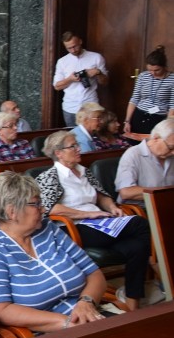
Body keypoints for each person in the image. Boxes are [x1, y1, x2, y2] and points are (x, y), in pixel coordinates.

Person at [0, 172, 110, 331]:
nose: (43, 209)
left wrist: (86, 302)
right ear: (12, 212)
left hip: (89, 316)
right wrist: (66, 322)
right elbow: (1, 309)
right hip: (46, 333)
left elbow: (94, 273)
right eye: (36, 204)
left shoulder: (47, 228)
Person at [36, 130, 152, 311]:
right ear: (58, 153)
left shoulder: (84, 172)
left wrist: (112, 207)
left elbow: (101, 196)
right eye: (72, 146)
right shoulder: (49, 177)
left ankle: (132, 301)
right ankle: (154, 269)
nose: (78, 149)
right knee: (139, 223)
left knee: (136, 248)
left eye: (77, 145)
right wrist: (87, 215)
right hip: (76, 228)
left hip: (101, 224)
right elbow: (50, 208)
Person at [53, 31, 108, 127]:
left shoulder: (96, 57)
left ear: (80, 42)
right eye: (69, 48)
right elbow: (57, 86)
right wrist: (70, 79)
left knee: (93, 137)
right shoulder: (62, 62)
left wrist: (98, 72)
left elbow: (105, 82)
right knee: (72, 136)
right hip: (70, 107)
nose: (73, 50)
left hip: (91, 106)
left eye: (75, 46)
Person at [115, 118, 174, 205]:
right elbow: (126, 192)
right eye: (171, 147)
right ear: (156, 138)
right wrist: (164, 193)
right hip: (141, 210)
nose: (173, 152)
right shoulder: (133, 154)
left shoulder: (170, 156)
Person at [124, 46, 174, 134]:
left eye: (157, 70)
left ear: (164, 67)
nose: (153, 73)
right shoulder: (143, 76)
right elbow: (134, 99)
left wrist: (168, 125)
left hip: (159, 118)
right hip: (139, 115)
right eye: (150, 70)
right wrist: (127, 121)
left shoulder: (172, 79)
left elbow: (172, 106)